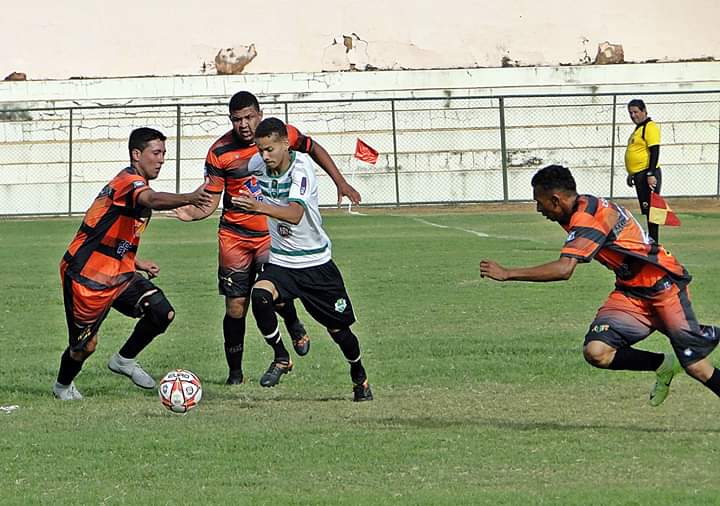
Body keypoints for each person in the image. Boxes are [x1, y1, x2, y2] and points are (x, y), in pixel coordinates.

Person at [480, 164, 720, 407]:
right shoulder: (582, 206)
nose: (538, 209)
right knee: (597, 352)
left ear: (556, 199)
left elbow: (564, 269)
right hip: (631, 293)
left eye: (539, 202)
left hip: (664, 288)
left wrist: (508, 273)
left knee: (697, 368)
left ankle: (704, 335)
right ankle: (665, 364)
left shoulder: (589, 217)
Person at [173, 91, 361, 386]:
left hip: (282, 240)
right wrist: (192, 213)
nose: (244, 125)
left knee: (333, 328)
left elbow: (310, 161)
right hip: (237, 235)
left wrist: (341, 181)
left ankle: (316, 342)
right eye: (237, 119)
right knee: (243, 303)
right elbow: (211, 197)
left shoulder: (290, 149)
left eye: (249, 117)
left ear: (260, 116)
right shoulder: (222, 153)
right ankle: (254, 367)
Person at [53, 127, 213, 400]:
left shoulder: (137, 184)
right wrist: (188, 197)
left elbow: (109, 234)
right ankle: (62, 386)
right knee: (85, 346)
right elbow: (151, 199)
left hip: (119, 272)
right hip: (86, 277)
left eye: (164, 153)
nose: (161, 159)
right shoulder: (128, 182)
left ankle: (124, 360)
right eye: (156, 153)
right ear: (136, 154)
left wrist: (136, 262)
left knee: (162, 312)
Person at [231, 117, 373, 402]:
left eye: (270, 149)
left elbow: (295, 215)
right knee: (259, 296)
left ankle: (359, 376)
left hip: (315, 264)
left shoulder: (301, 168)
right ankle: (282, 356)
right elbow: (236, 170)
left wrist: (257, 205)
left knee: (339, 331)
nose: (264, 156)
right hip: (282, 261)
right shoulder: (259, 164)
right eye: (260, 150)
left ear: (286, 143)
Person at [625, 98, 662, 243]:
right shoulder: (639, 128)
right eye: (630, 113)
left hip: (648, 174)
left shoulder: (650, 127)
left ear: (644, 111)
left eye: (636, 112)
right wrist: (631, 173)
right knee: (647, 210)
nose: (633, 115)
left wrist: (651, 173)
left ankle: (654, 242)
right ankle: (652, 240)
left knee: (652, 210)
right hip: (639, 175)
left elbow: (655, 150)